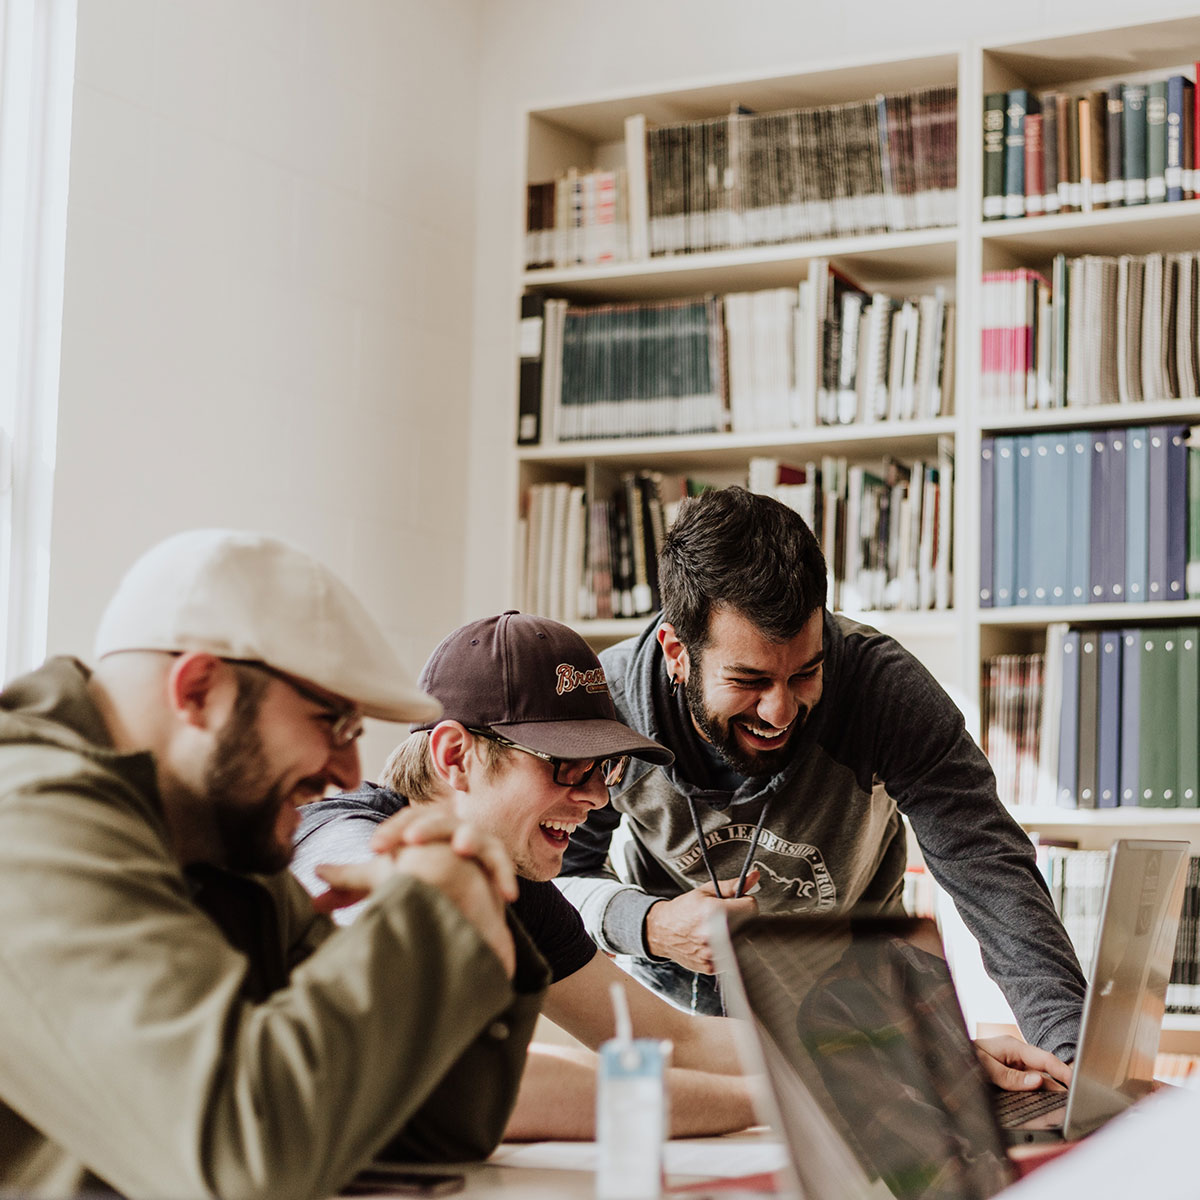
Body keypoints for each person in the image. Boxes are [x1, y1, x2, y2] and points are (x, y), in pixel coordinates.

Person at [293, 611, 1071, 1142]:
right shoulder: (346, 845)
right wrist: (826, 1098)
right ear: (456, 756)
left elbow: (666, 1037)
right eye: (567, 767)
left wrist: (913, 1060)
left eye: (604, 771)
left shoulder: (516, 886)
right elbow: (473, 1082)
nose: (597, 797)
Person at [0, 530, 547, 1200]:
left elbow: (427, 1130)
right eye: (332, 723)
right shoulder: (28, 821)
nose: (349, 771)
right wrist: (430, 914)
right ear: (199, 689)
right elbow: (242, 1159)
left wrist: (470, 906)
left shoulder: (218, 841)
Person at [556, 486, 1088, 1064]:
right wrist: (650, 924)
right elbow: (556, 880)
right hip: (677, 1024)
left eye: (805, 673)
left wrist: (1071, 1057)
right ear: (676, 652)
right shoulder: (608, 711)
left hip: (856, 1011)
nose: (780, 711)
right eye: (749, 681)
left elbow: (990, 870)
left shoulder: (885, 692)